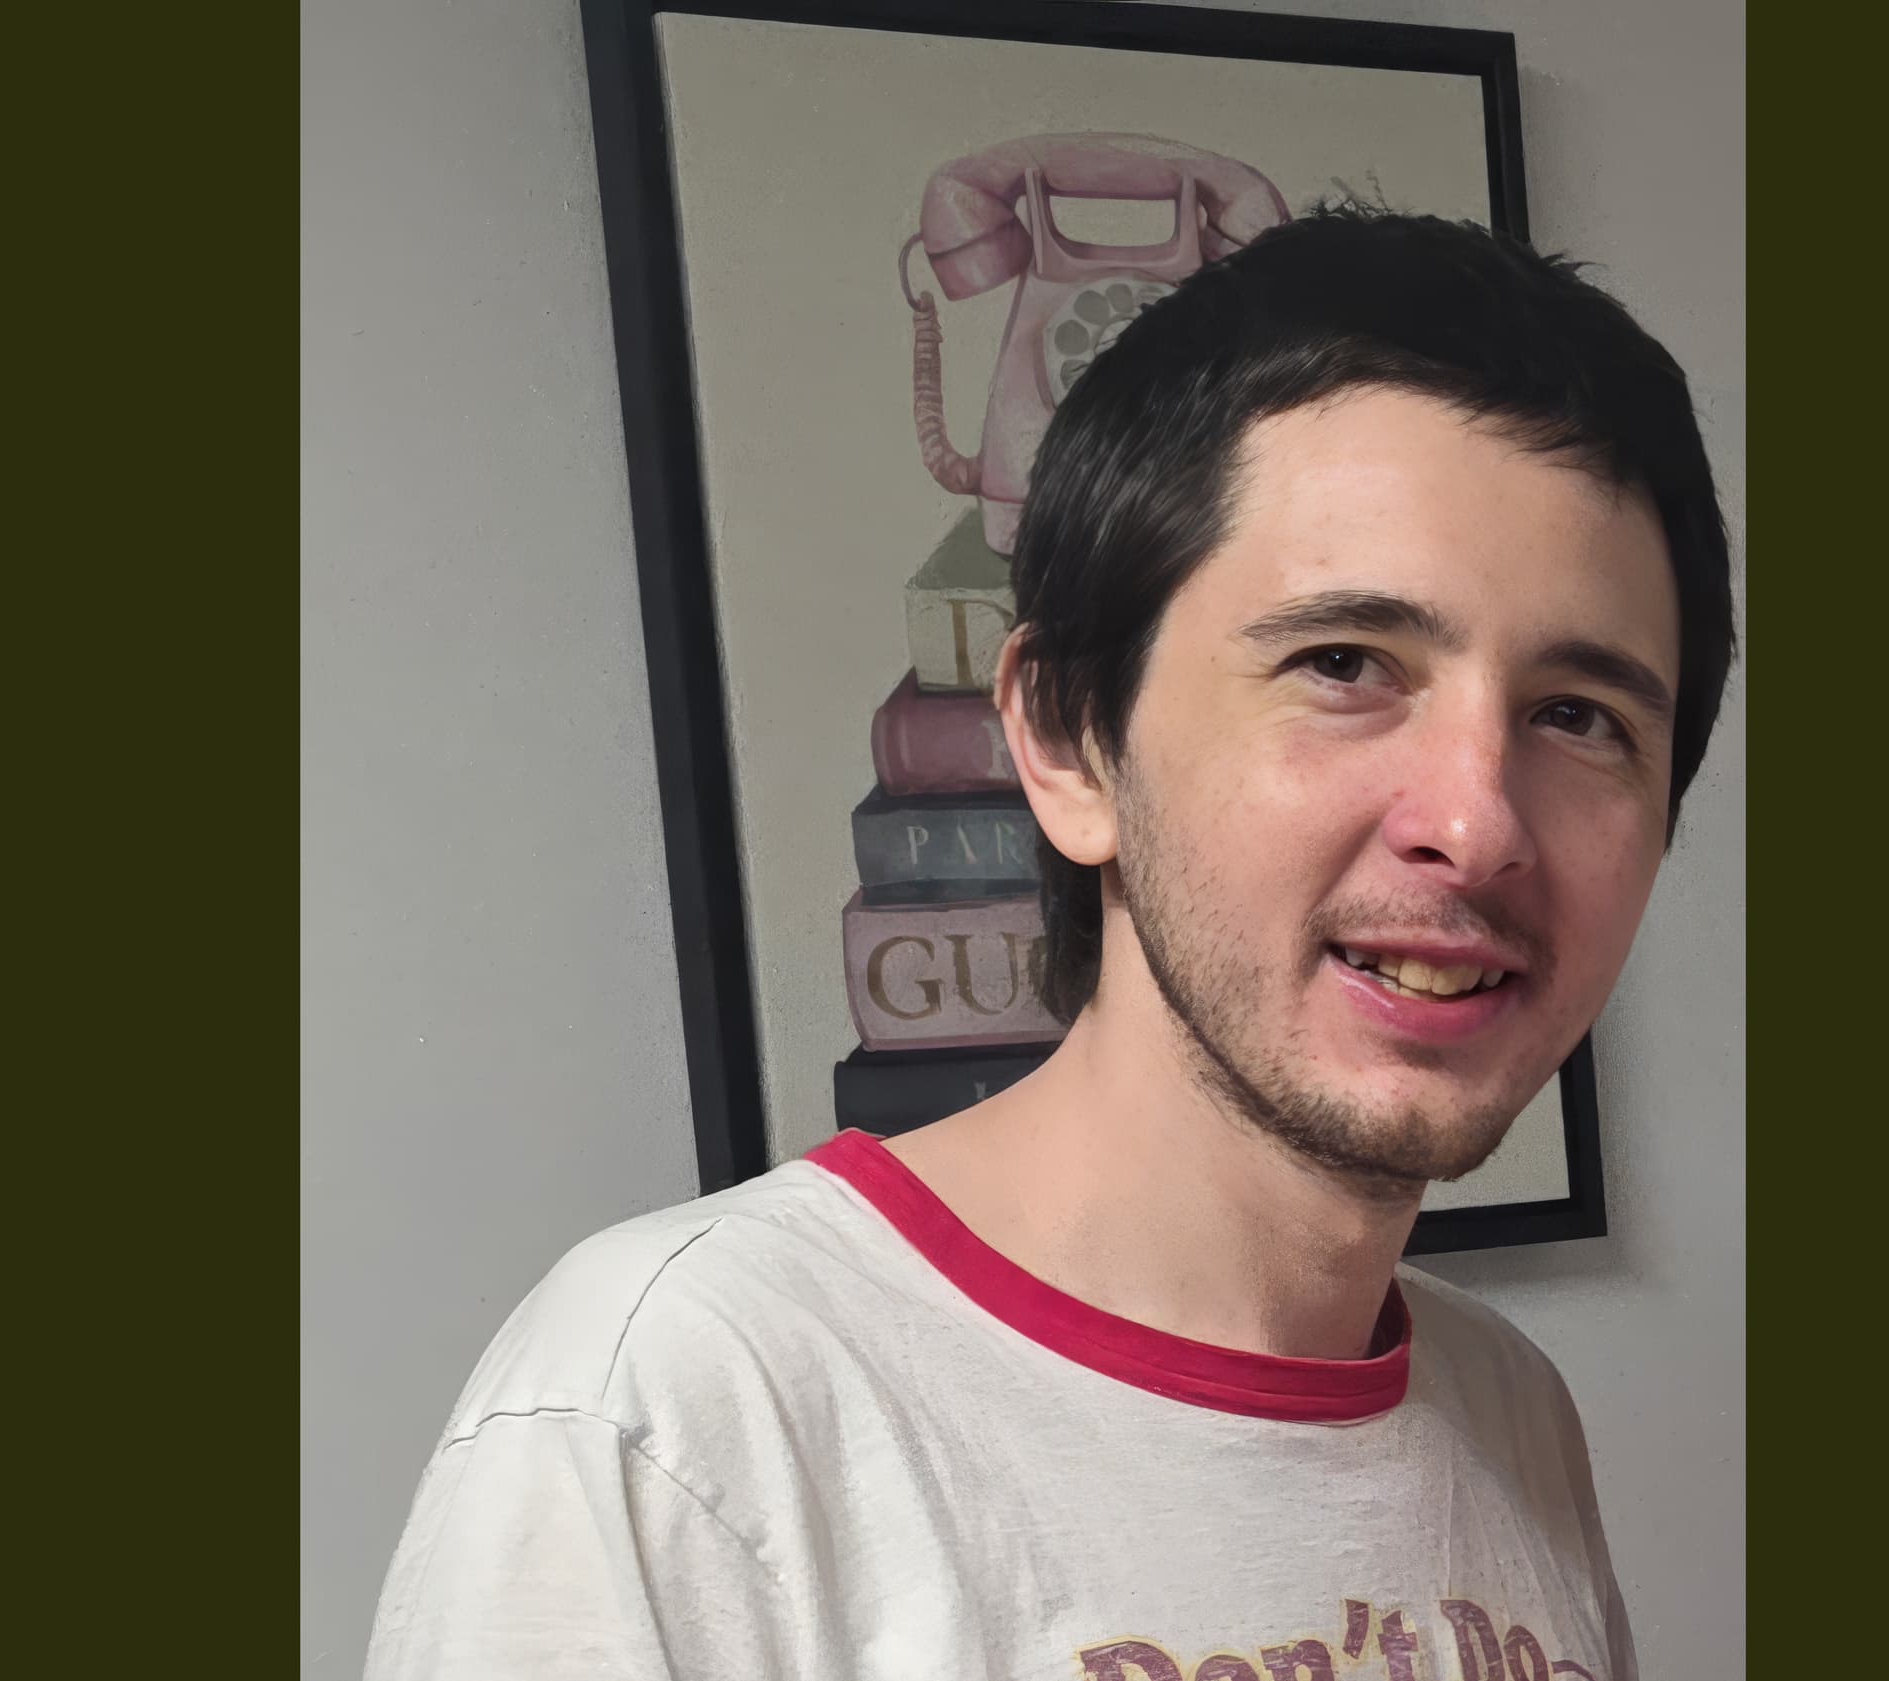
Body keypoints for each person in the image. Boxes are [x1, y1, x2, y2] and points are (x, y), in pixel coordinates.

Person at [366, 207, 1735, 1680]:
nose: (1476, 824)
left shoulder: (1507, 1410)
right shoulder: (677, 1412)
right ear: (1070, 735)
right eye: (1344, 664)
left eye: (1580, 715)